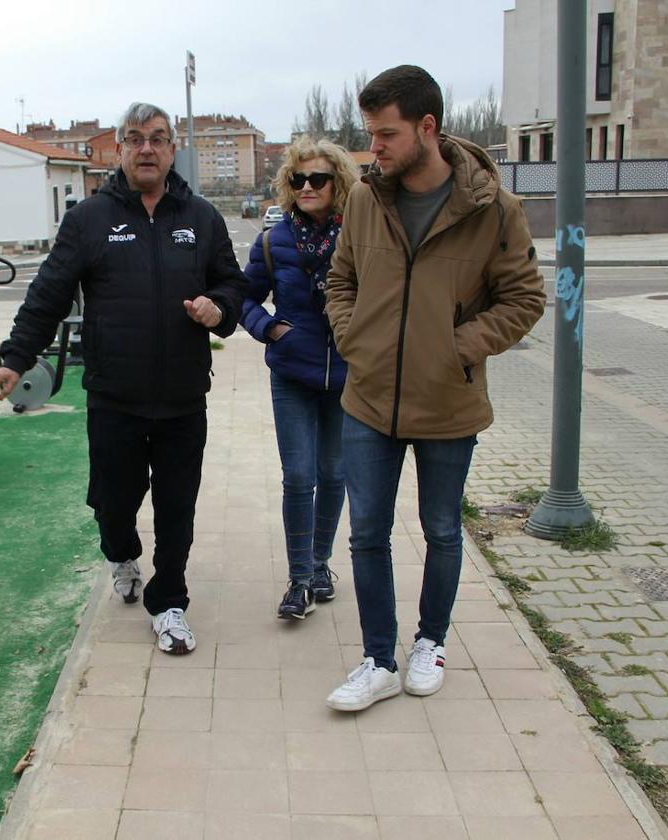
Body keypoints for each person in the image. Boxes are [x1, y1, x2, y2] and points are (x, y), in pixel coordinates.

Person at [0, 102, 246, 656]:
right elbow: (48, 293)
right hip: (114, 397)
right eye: (134, 139)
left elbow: (232, 285)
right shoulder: (89, 220)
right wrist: (16, 358)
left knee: (177, 507)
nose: (146, 149)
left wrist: (219, 309)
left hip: (181, 398)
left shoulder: (201, 219)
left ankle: (169, 601)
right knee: (113, 502)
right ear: (120, 150)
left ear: (173, 150)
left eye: (157, 139)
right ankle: (122, 553)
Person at [323, 65, 545, 710]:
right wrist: (353, 338)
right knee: (366, 532)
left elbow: (523, 299)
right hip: (368, 398)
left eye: (386, 134)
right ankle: (378, 659)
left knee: (443, 529)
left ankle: (431, 642)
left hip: (449, 400)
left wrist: (455, 350)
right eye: (370, 134)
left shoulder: (495, 211)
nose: (376, 149)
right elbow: (341, 281)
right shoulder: (366, 198)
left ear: (428, 127)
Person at [241, 138, 360, 620]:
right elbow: (243, 298)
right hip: (292, 374)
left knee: (334, 475)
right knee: (299, 477)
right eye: (298, 179)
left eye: (318, 179)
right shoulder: (274, 240)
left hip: (348, 377)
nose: (307, 187)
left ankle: (319, 566)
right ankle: (298, 580)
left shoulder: (359, 233)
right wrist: (269, 328)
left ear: (338, 183)